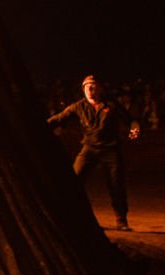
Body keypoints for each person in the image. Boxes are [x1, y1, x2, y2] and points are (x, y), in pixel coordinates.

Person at [47, 75, 140, 230]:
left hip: (110, 149)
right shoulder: (78, 107)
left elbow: (131, 120)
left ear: (99, 89)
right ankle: (70, 216)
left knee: (116, 185)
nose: (89, 89)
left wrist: (135, 128)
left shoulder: (111, 105)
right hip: (89, 149)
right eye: (86, 87)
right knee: (73, 181)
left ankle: (121, 220)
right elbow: (58, 119)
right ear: (82, 89)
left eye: (93, 86)